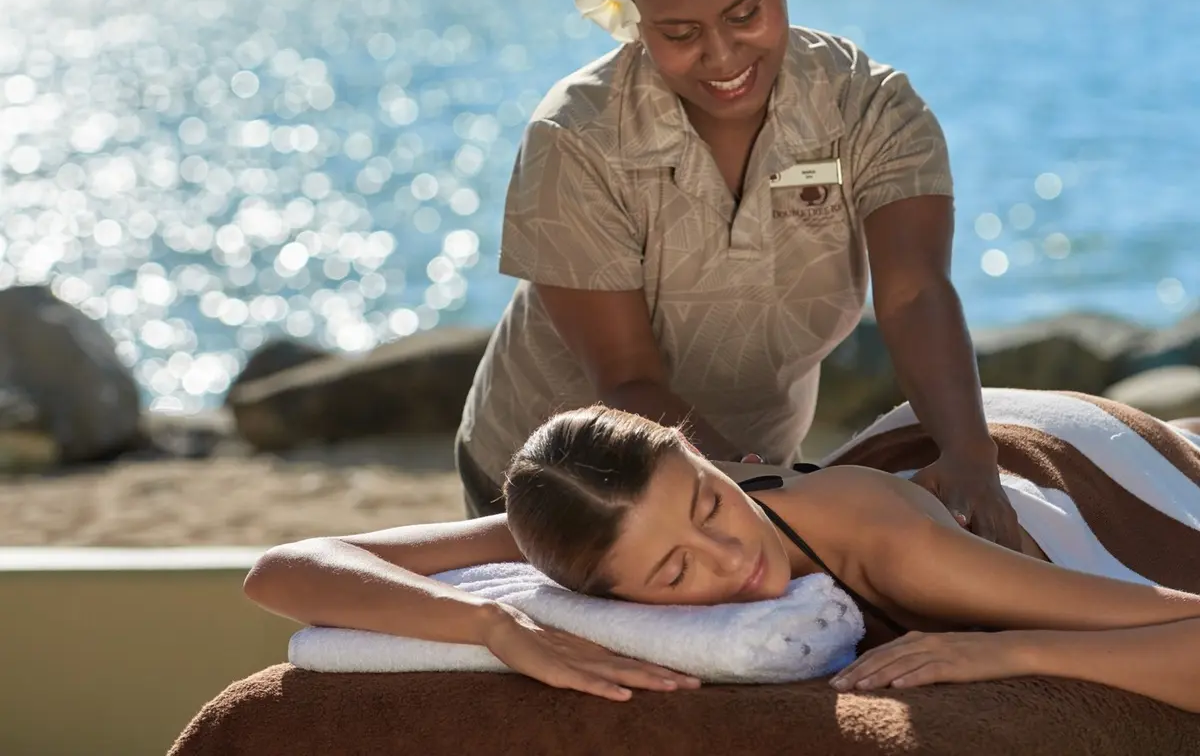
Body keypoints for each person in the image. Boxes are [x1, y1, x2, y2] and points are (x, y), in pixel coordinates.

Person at [455, 0, 1022, 551]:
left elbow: (915, 294)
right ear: (632, 10)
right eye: (680, 33)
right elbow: (627, 378)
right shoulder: (576, 138)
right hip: (554, 480)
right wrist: (774, 496)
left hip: (754, 466)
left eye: (744, 14)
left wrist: (968, 453)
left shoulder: (871, 111)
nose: (723, 56)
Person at [245, 405, 1200, 714]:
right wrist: (496, 627)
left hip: (1050, 475)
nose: (727, 554)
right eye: (672, 576)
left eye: (709, 499)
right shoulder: (590, 523)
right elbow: (285, 568)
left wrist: (1011, 650)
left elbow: (1181, 627)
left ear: (712, 458)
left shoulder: (889, 547)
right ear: (591, 587)